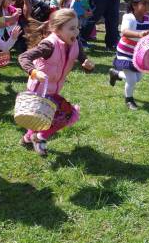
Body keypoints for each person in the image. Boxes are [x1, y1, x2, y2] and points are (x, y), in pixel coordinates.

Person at [18, 9, 94, 155]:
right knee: (65, 115)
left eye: (77, 27)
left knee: (46, 117)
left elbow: (83, 59)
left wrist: (88, 66)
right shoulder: (49, 45)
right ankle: (39, 137)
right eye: (71, 28)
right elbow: (24, 57)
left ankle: (29, 138)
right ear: (57, 30)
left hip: (53, 89)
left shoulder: (75, 43)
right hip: (39, 91)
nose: (76, 32)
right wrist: (34, 72)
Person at [108, 0, 149, 110]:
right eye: (144, 3)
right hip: (125, 53)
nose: (148, 6)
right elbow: (124, 32)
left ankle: (115, 74)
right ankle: (129, 99)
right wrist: (139, 34)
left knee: (138, 78)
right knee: (132, 80)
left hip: (140, 55)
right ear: (134, 5)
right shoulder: (129, 17)